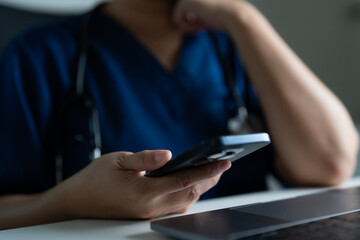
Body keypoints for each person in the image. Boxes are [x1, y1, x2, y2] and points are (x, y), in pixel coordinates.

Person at [0, 0, 358, 230]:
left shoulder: (232, 45)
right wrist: (71, 201)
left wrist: (243, 17)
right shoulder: (37, 57)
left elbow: (330, 163)